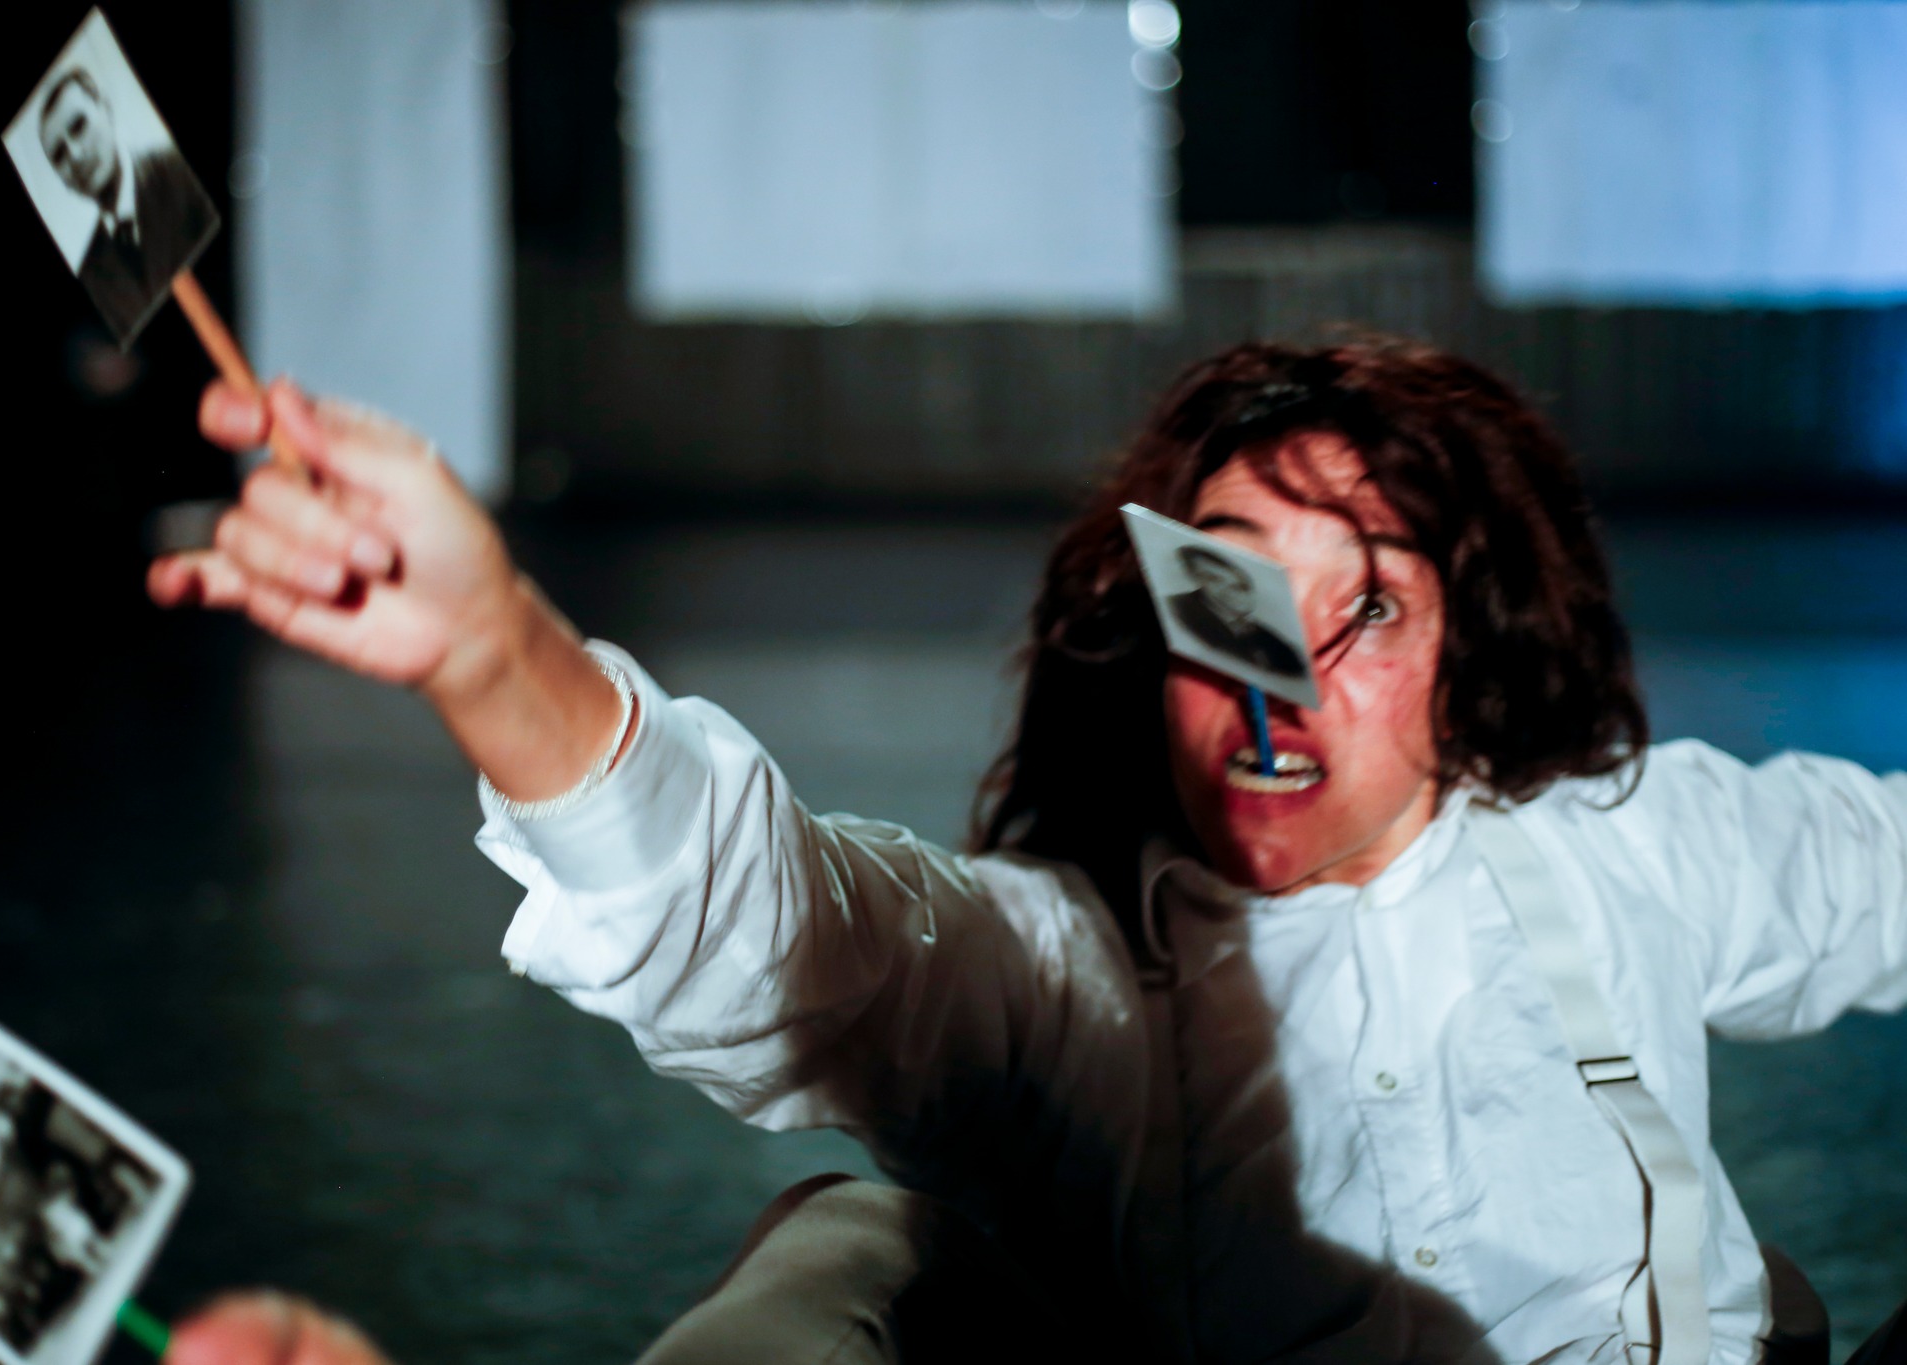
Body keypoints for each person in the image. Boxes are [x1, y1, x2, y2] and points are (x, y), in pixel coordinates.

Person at [148, 340, 1905, 1365]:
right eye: (1232, 600)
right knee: (844, 1241)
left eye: (1364, 606)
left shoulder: (1632, 845)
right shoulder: (1072, 981)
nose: (1277, 682)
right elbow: (786, 935)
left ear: (1471, 649)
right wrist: (494, 656)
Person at [38, 67, 215, 345]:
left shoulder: (180, 175)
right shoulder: (91, 275)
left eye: (79, 126)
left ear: (106, 108)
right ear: (63, 181)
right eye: (59, 154)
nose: (76, 155)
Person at [1167, 542, 1308, 679]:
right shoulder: (1177, 611)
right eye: (1213, 578)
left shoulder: (1270, 639)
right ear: (1195, 580)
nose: (1229, 584)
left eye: (1240, 585)